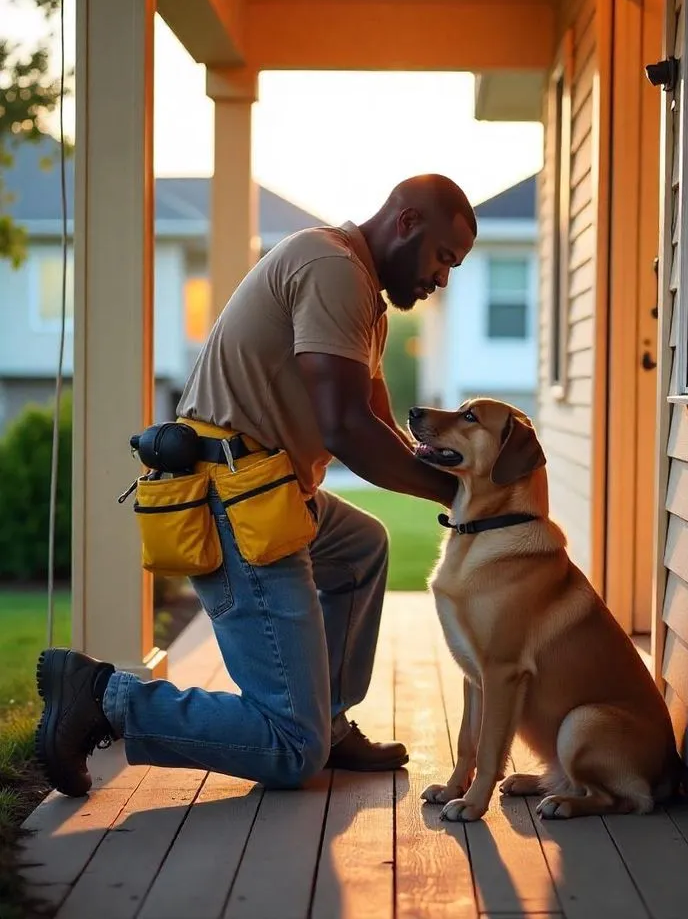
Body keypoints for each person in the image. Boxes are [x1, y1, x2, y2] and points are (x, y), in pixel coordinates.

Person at [35, 174, 477, 797]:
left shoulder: (361, 294)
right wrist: (460, 499)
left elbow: (377, 422)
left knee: (359, 546)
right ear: (406, 223)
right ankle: (103, 697)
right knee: (293, 750)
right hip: (230, 502)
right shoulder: (332, 271)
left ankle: (327, 718)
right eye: (444, 258)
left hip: (270, 491)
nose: (443, 279)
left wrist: (451, 473)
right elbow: (346, 429)